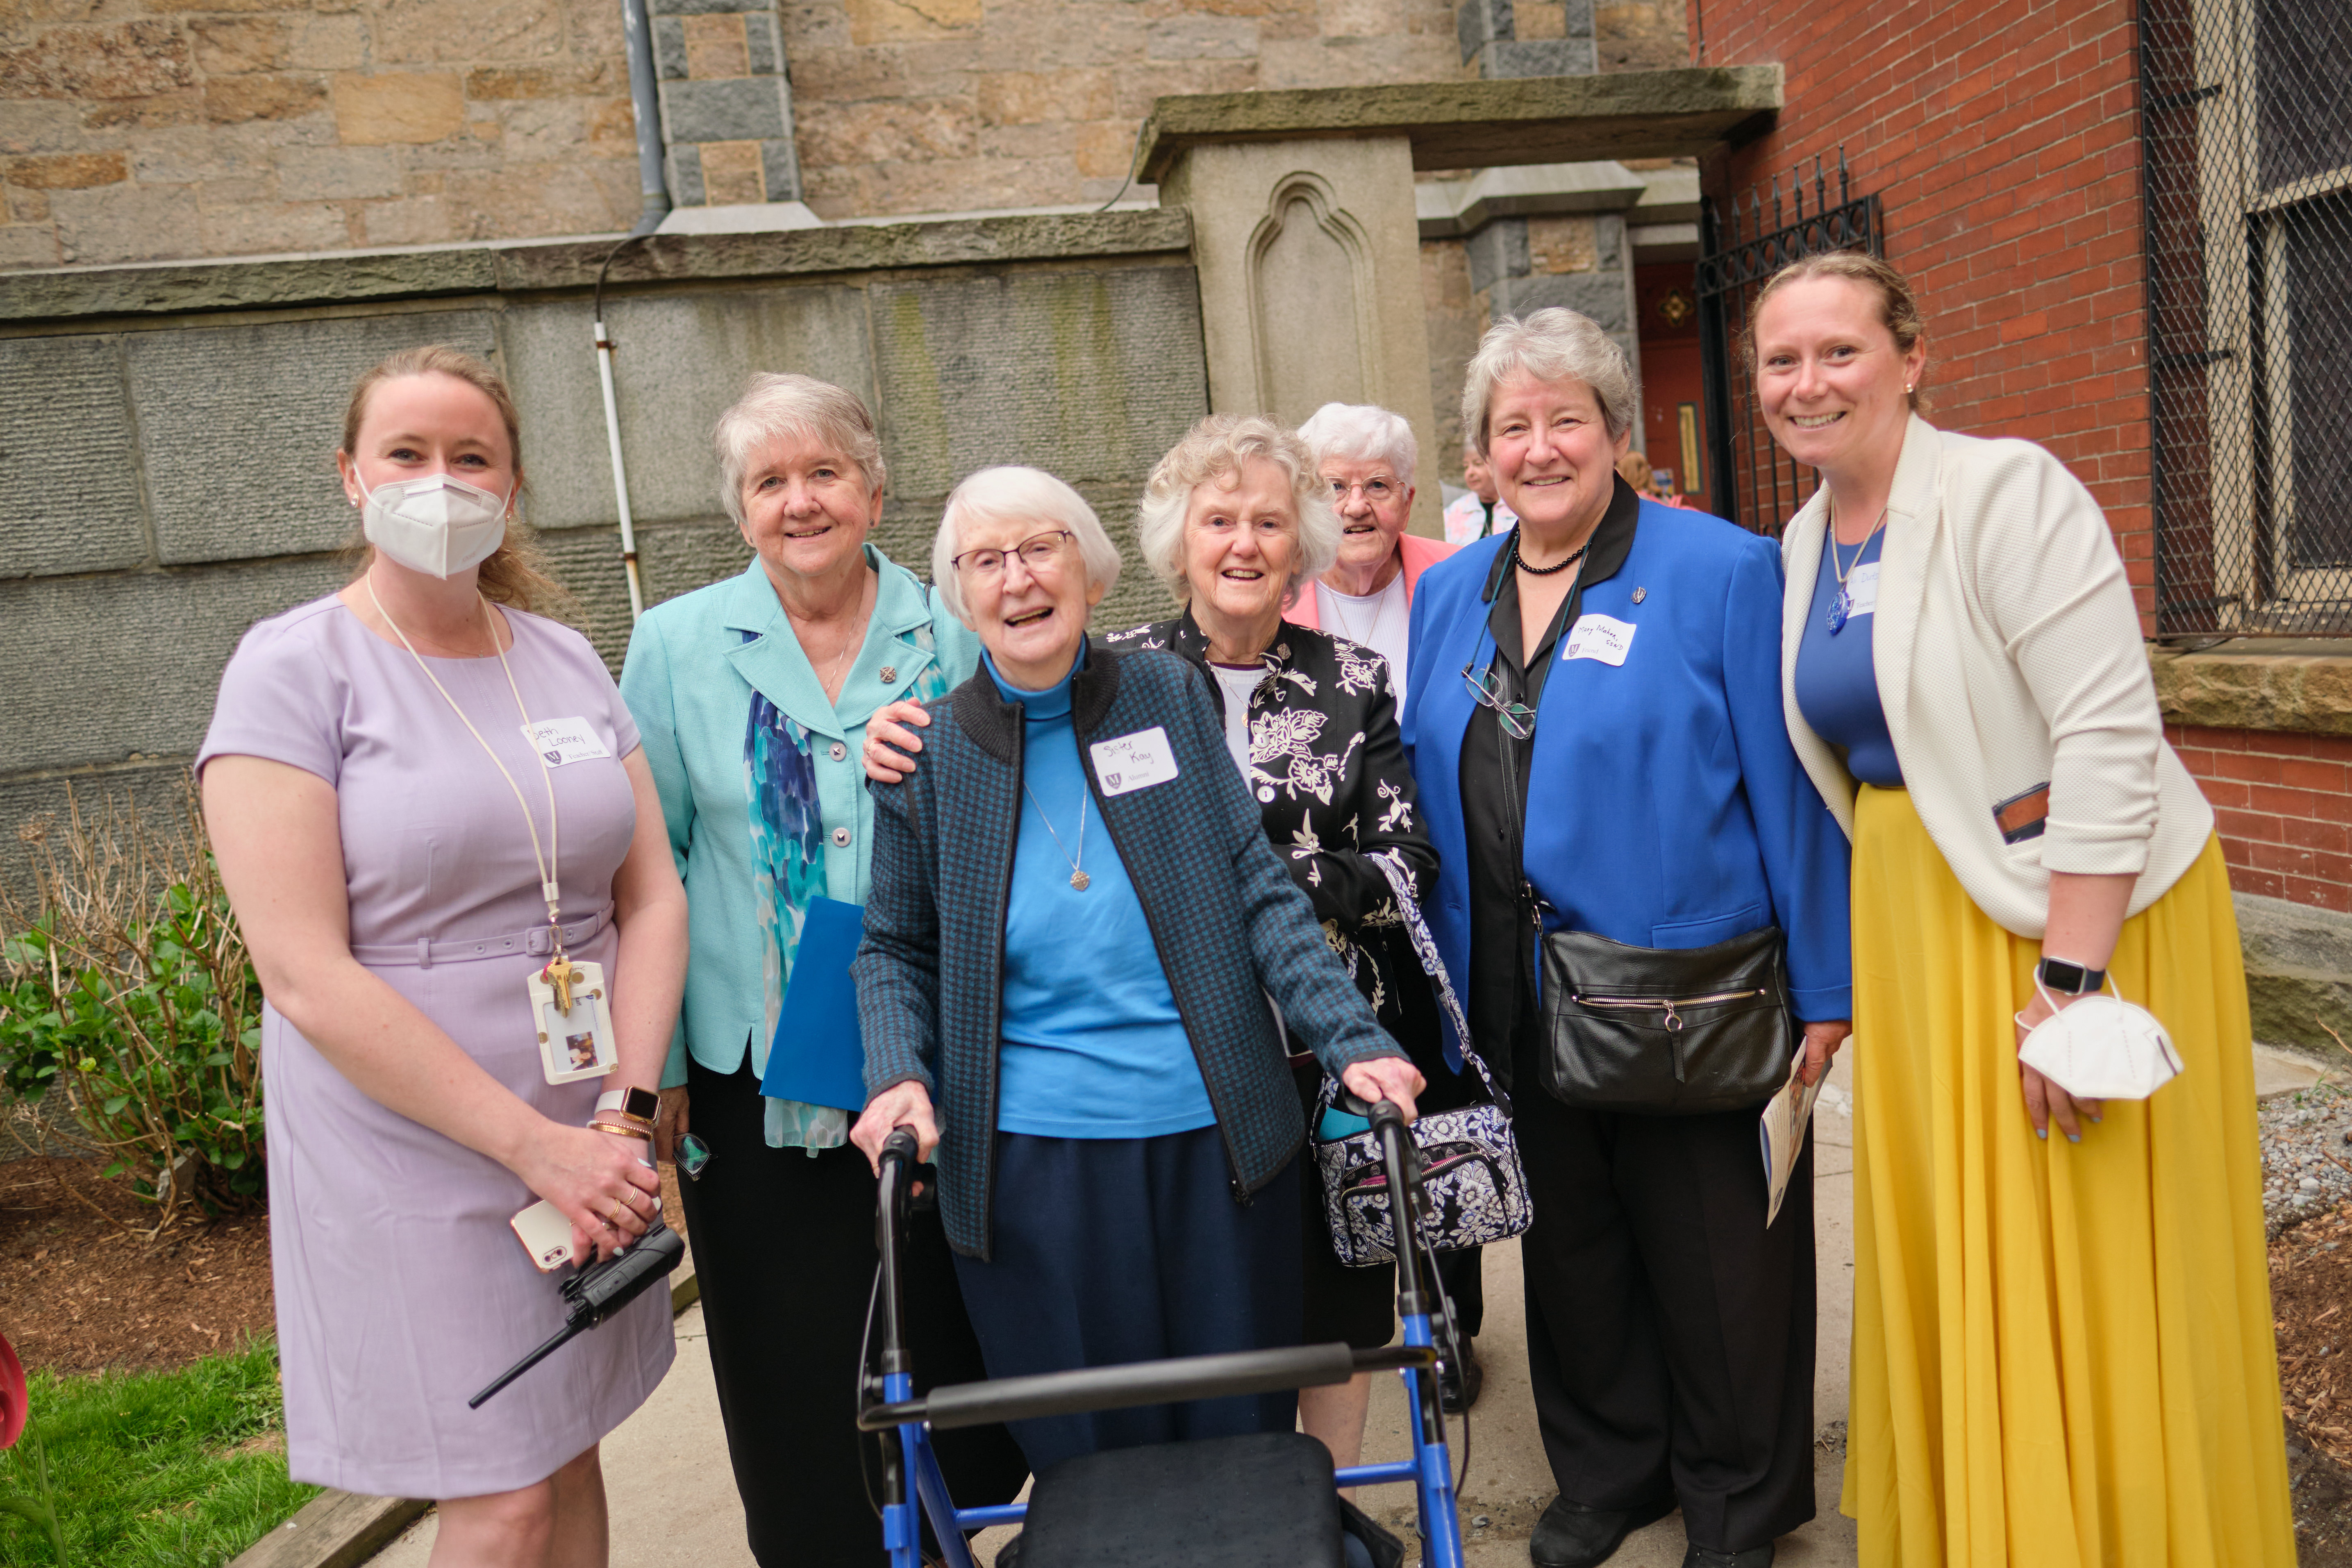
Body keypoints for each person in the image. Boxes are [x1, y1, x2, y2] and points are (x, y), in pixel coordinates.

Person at [1755, 251, 2295, 1565]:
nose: (1806, 382)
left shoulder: (2005, 492)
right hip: (1913, 920)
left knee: (2089, 1246)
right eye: (1779, 360)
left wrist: (2069, 985)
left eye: (1838, 351)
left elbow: (2107, 733)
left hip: (2071, 914)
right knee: (1963, 1249)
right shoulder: (1801, 540)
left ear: (1910, 357)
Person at [199, 345, 687, 1566]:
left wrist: (619, 1119)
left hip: (585, 1111)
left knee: (569, 1439)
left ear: (512, 487)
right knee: (500, 1484)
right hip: (408, 1134)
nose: (441, 480)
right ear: (352, 478)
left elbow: (653, 894)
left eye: (471, 457)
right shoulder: (293, 667)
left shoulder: (562, 659)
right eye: (408, 454)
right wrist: (540, 1152)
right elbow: (303, 971)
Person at [849, 463, 1427, 1479]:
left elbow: (1255, 886)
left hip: (1219, 1144)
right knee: (1087, 1453)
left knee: (1237, 1434)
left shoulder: (1164, 694)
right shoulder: (928, 755)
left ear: (1090, 568)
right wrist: (897, 1072)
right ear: (958, 592)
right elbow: (893, 946)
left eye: (1041, 547)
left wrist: (1353, 1041)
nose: (1018, 578)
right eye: (986, 560)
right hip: (1032, 1165)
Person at [1401, 307, 1854, 1568]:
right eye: (1511, 428)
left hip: (1687, 992)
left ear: (1612, 434)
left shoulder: (1718, 569)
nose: (1538, 448)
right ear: (1480, 457)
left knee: (1721, 1269)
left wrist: (1824, 985)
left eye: (1564, 421)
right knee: (1573, 1258)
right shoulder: (1450, 592)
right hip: (1514, 989)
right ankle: (1607, 1470)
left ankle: (1735, 1502)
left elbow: (1794, 788)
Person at [616, 374, 1025, 1565]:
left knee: (947, 1328)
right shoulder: (675, 643)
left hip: (943, 1055)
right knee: (789, 1348)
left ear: (874, 486)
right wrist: (662, 1070)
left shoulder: (960, 629)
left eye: (823, 473)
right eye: (769, 481)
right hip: (753, 1072)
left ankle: (961, 1541)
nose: (800, 502)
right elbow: (656, 866)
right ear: (740, 510)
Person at [1287, 402, 1460, 692]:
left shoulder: (1461, 578)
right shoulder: (1275, 594)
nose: (1356, 507)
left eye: (1377, 485)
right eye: (1335, 487)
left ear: (1407, 504)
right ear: (1307, 506)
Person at [1443, 439, 1518, 544]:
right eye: (1466, 467)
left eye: (1478, 464)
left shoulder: (1517, 505)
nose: (1470, 473)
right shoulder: (1455, 511)